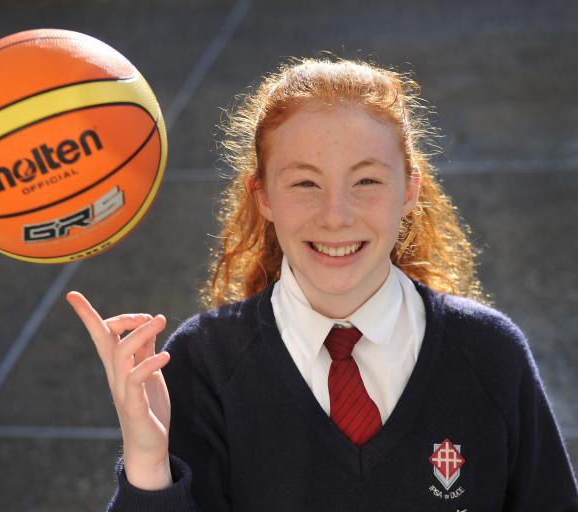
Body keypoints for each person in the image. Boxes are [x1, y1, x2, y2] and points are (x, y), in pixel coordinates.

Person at [67, 57, 578, 511]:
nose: (336, 216)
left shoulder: (488, 354)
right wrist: (148, 465)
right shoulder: (206, 364)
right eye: (305, 183)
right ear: (263, 196)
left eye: (367, 181)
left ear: (410, 190)